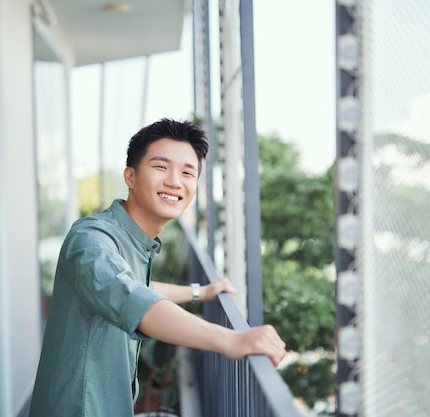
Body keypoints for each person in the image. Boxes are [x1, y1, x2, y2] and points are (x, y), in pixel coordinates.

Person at [28, 118, 286, 417]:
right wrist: (232, 339)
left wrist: (199, 292)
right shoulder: (92, 240)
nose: (175, 181)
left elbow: (134, 286)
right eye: (161, 167)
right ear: (131, 176)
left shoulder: (129, 239)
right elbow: (129, 298)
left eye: (187, 172)